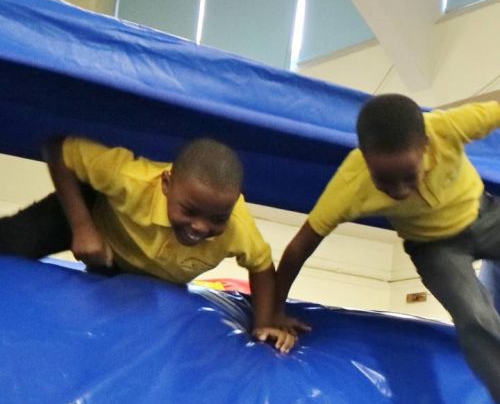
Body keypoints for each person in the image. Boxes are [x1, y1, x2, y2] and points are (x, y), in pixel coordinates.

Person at [275, 94, 500, 404]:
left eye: (408, 177)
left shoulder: (447, 128)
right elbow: (299, 248)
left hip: (484, 216)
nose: (399, 191)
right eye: (384, 182)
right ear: (365, 158)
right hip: (435, 249)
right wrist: (274, 311)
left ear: (426, 143)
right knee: (474, 316)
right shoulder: (352, 182)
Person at [0, 135, 307, 353]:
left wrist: (264, 322)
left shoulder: (238, 227)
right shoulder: (130, 178)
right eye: (189, 210)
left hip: (134, 270)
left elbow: (261, 265)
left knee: (123, 337)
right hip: (98, 223)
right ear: (166, 185)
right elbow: (57, 148)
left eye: (217, 218)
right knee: (15, 238)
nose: (200, 227)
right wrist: (83, 227)